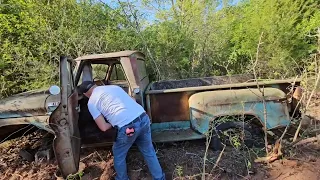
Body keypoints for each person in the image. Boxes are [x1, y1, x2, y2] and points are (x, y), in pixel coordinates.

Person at [78, 81, 165, 180]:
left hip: (128, 128)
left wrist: (114, 122)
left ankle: (122, 178)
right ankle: (160, 178)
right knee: (149, 151)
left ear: (85, 94)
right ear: (95, 85)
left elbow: (103, 127)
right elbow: (132, 100)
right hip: (143, 118)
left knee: (119, 154)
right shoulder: (114, 87)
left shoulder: (91, 102)